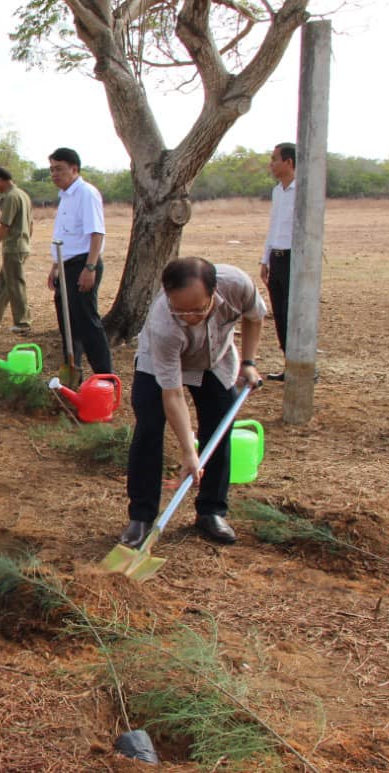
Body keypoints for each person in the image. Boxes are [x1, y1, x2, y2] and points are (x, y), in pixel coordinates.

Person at [121, 257, 264, 548]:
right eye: (180, 310)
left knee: (221, 425)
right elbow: (172, 395)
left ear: (214, 292)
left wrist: (248, 362)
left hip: (215, 359)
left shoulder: (238, 285)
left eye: (198, 310)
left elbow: (255, 316)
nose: (189, 318)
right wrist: (188, 452)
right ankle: (141, 517)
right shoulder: (164, 324)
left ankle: (211, 511)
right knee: (149, 427)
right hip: (160, 362)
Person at [46, 147, 113, 374]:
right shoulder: (65, 197)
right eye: (52, 169)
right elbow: (64, 235)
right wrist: (55, 266)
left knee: (88, 323)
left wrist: (90, 267)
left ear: (74, 169)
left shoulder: (86, 193)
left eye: (59, 169)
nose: (54, 174)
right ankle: (73, 373)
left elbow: (97, 233)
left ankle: (105, 376)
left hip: (83, 264)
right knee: (67, 324)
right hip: (65, 266)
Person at [260, 142, 296, 382]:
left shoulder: (303, 190)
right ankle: (288, 365)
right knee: (280, 315)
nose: (271, 164)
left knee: (293, 313)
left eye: (275, 159)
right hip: (277, 257)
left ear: (289, 162)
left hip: (295, 259)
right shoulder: (277, 191)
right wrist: (265, 260)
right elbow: (273, 227)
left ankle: (302, 366)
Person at [0, 167, 33, 333]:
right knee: (2, 284)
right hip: (21, 246)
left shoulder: (12, 197)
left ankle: (23, 323)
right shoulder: (23, 195)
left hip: (13, 247)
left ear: (0, 180)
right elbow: (31, 224)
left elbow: (5, 225)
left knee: (15, 285)